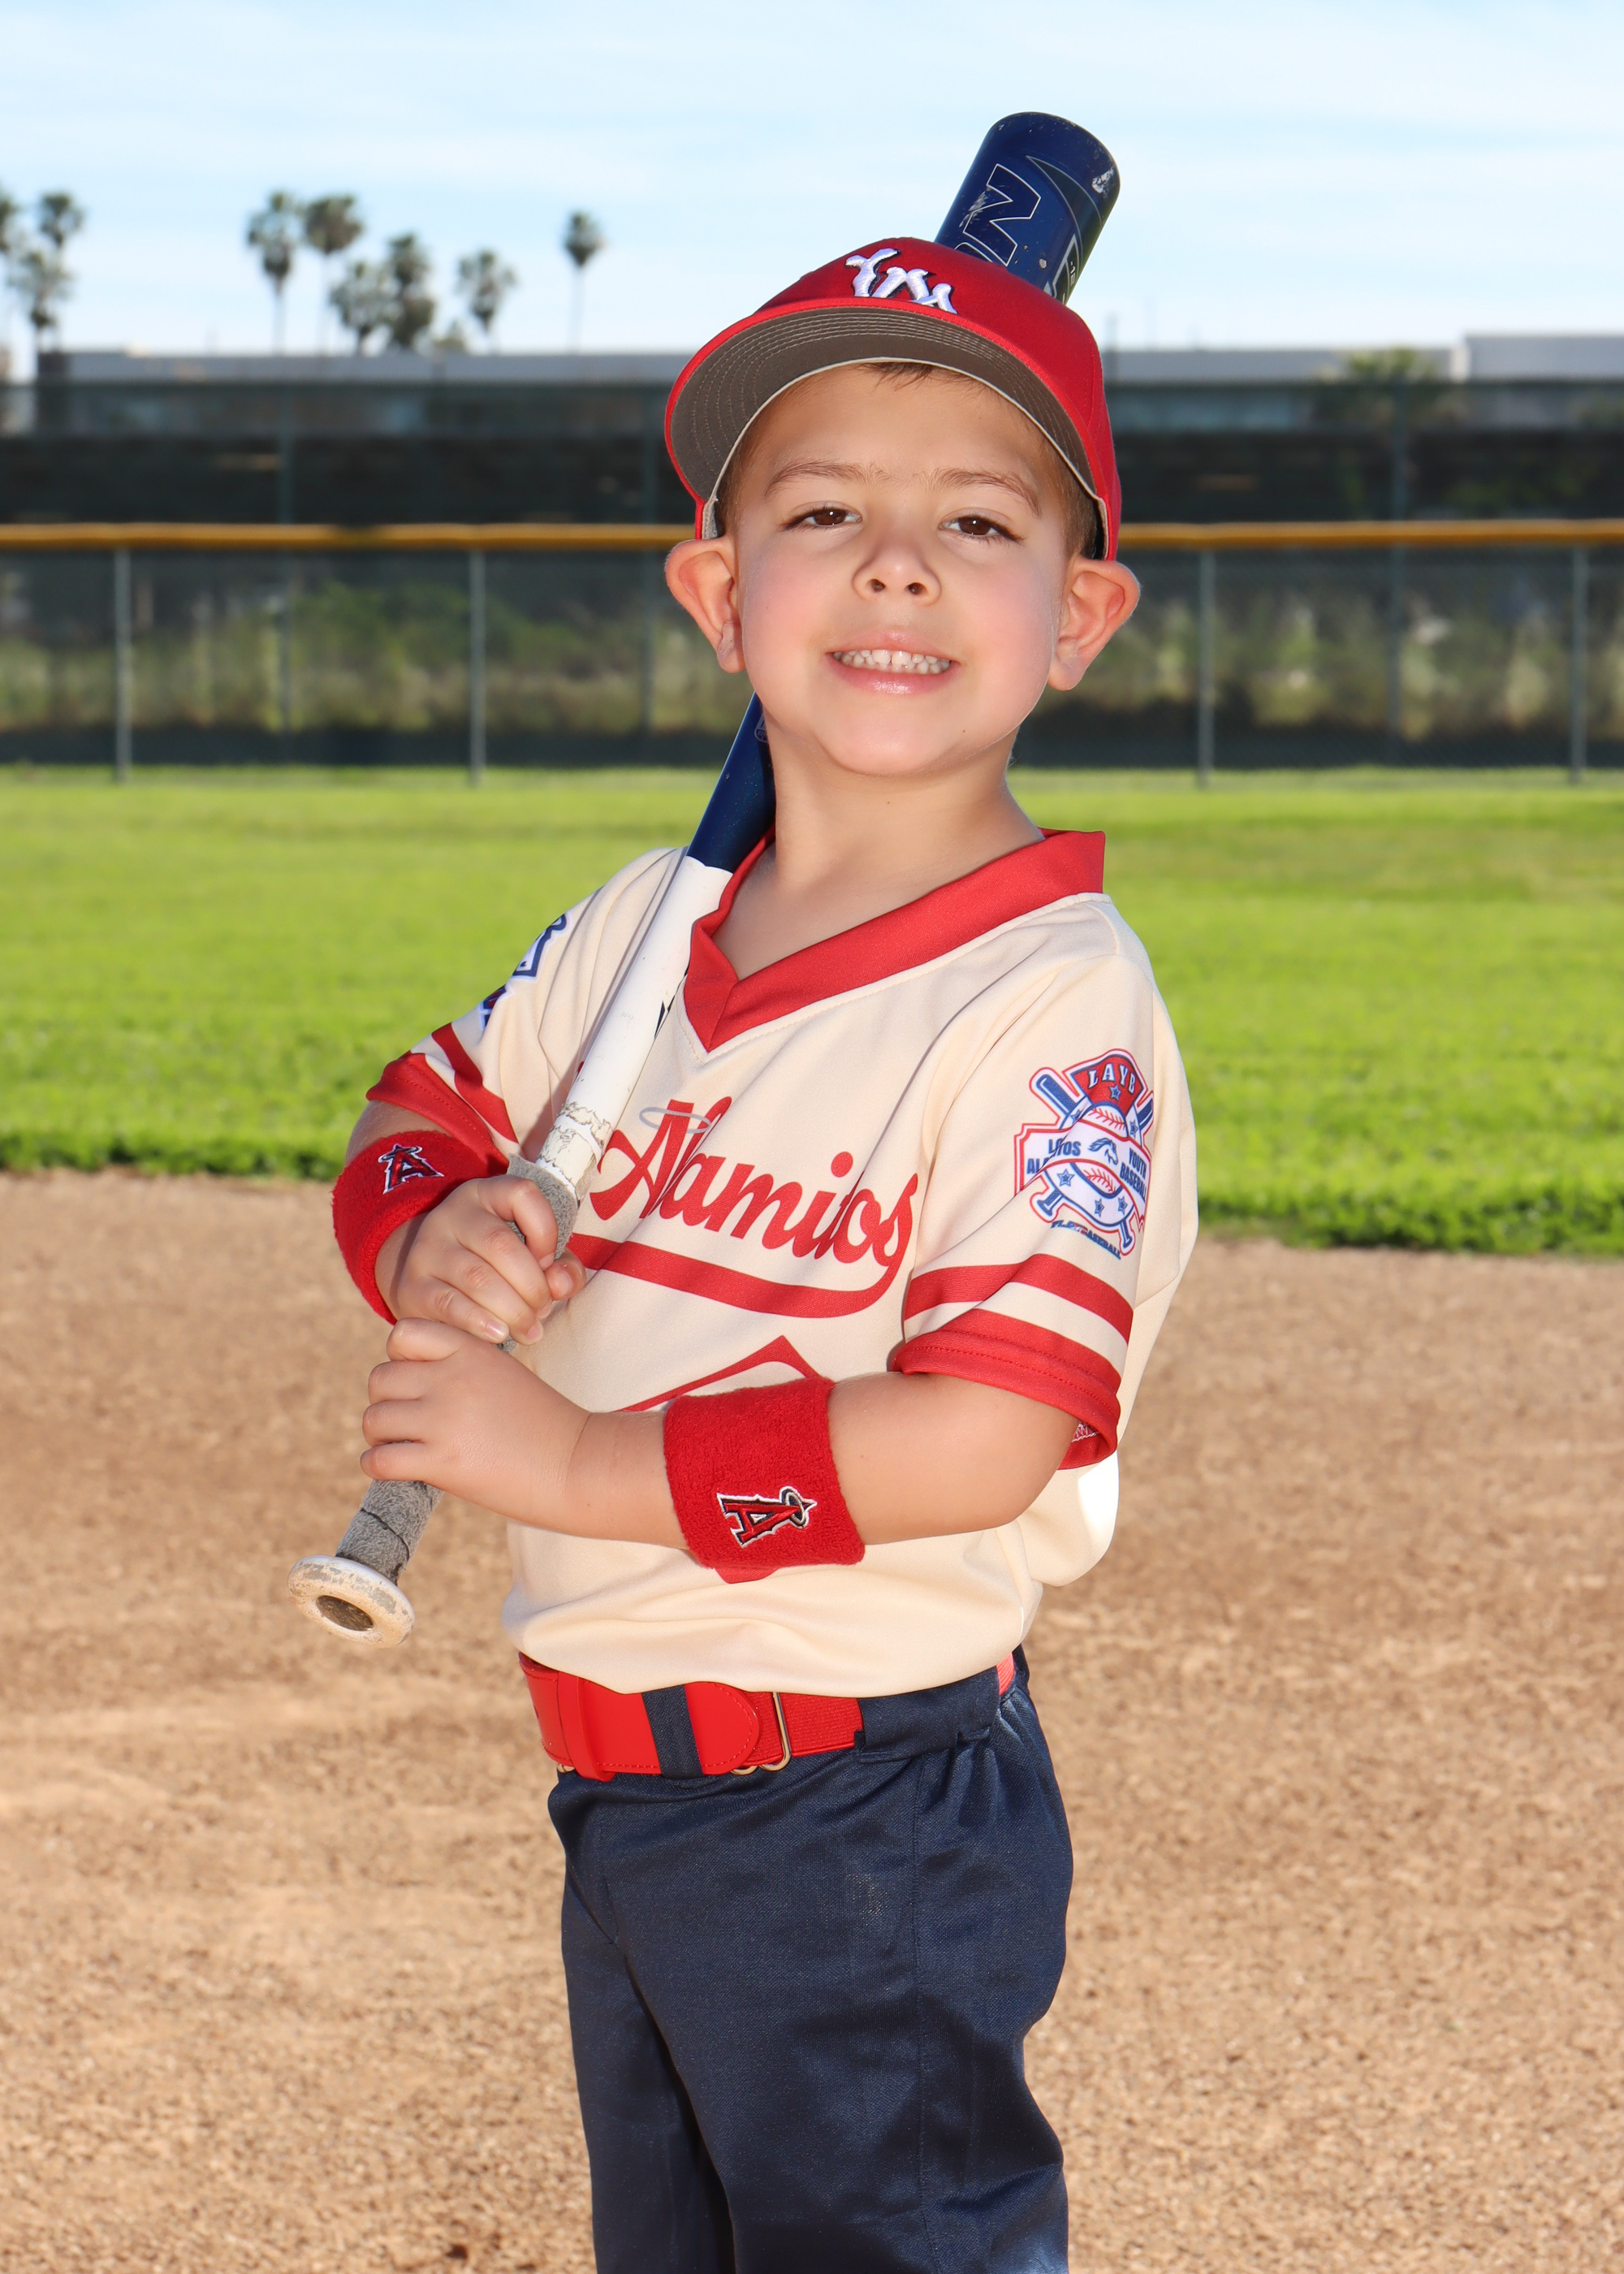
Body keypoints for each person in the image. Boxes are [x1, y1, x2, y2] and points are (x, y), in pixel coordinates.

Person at [331, 233, 1198, 2273]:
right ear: (721, 594)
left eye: (973, 522)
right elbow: (415, 1105)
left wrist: (567, 1463)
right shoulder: (646, 925)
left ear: (1076, 615)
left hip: (860, 1807)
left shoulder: (1049, 1001)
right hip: (630, 1792)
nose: (893, 567)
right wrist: (432, 1227)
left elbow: (980, 1434)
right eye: (821, 516)